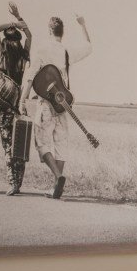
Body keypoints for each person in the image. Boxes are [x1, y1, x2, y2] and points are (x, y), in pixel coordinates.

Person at [20, 12, 90, 200]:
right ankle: (55, 187)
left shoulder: (42, 50)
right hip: (63, 106)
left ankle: (58, 177)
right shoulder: (67, 52)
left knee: (41, 143)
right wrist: (83, 25)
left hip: (45, 105)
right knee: (60, 145)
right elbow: (88, 47)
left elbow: (31, 77)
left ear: (49, 30)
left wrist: (22, 100)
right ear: (62, 32)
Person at [0, 3, 32, 195]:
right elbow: (30, 35)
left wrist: (10, 22)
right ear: (18, 38)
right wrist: (18, 18)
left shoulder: (2, 53)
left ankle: (12, 183)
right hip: (19, 103)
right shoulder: (24, 55)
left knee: (7, 146)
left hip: (4, 106)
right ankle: (19, 183)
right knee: (20, 145)